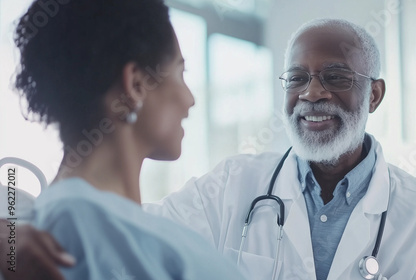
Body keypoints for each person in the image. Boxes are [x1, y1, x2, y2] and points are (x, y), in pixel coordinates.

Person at [0, 18, 416, 280]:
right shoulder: (227, 189)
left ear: (375, 95)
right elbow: (120, 234)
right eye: (297, 78)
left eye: (336, 77)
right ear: (135, 85)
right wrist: (8, 237)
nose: (312, 94)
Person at [0, 0, 245, 279]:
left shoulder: (77, 221)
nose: (190, 99)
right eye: (180, 72)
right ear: (136, 85)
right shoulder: (81, 223)